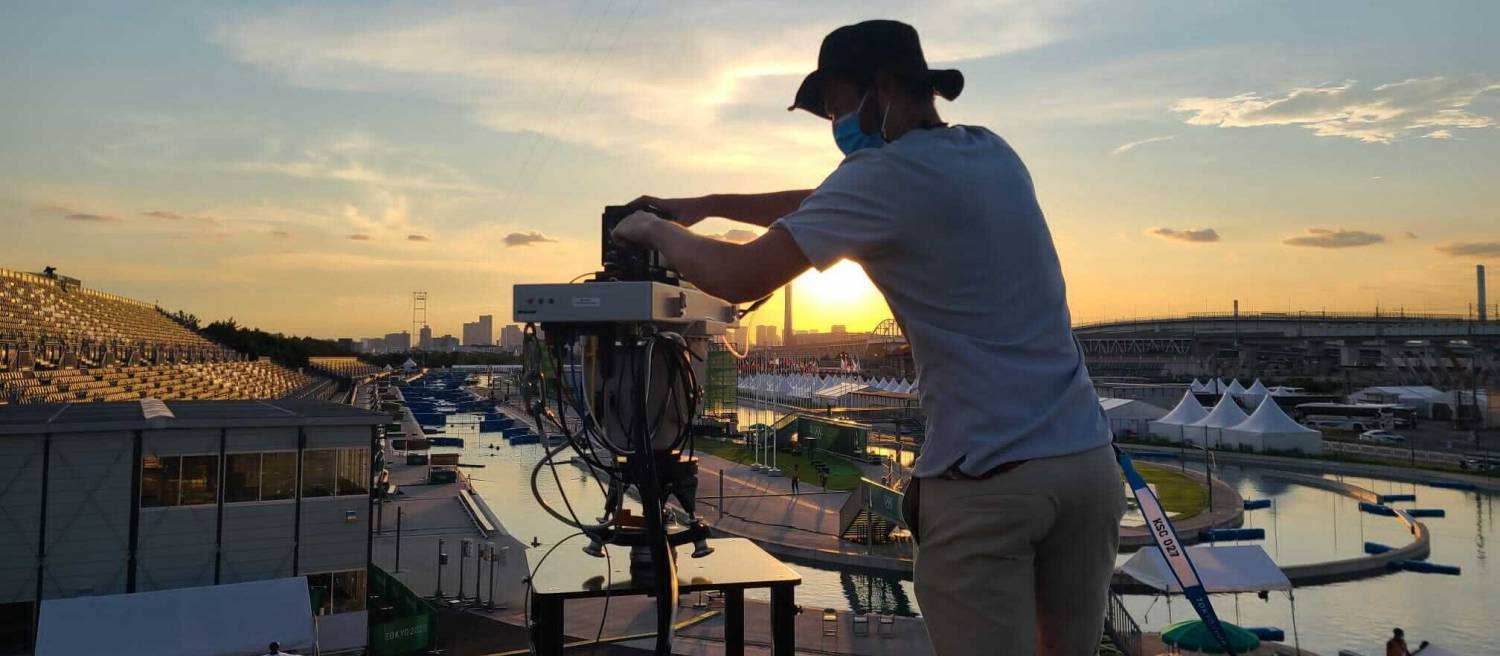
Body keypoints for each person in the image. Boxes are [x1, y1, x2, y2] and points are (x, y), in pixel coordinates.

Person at [610, 19, 1122, 656]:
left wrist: (652, 231)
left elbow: (740, 275)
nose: (835, 124)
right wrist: (707, 203)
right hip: (1086, 469)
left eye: (835, 105)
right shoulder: (992, 152)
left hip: (989, 482)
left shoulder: (883, 179)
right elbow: (821, 198)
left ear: (882, 88)